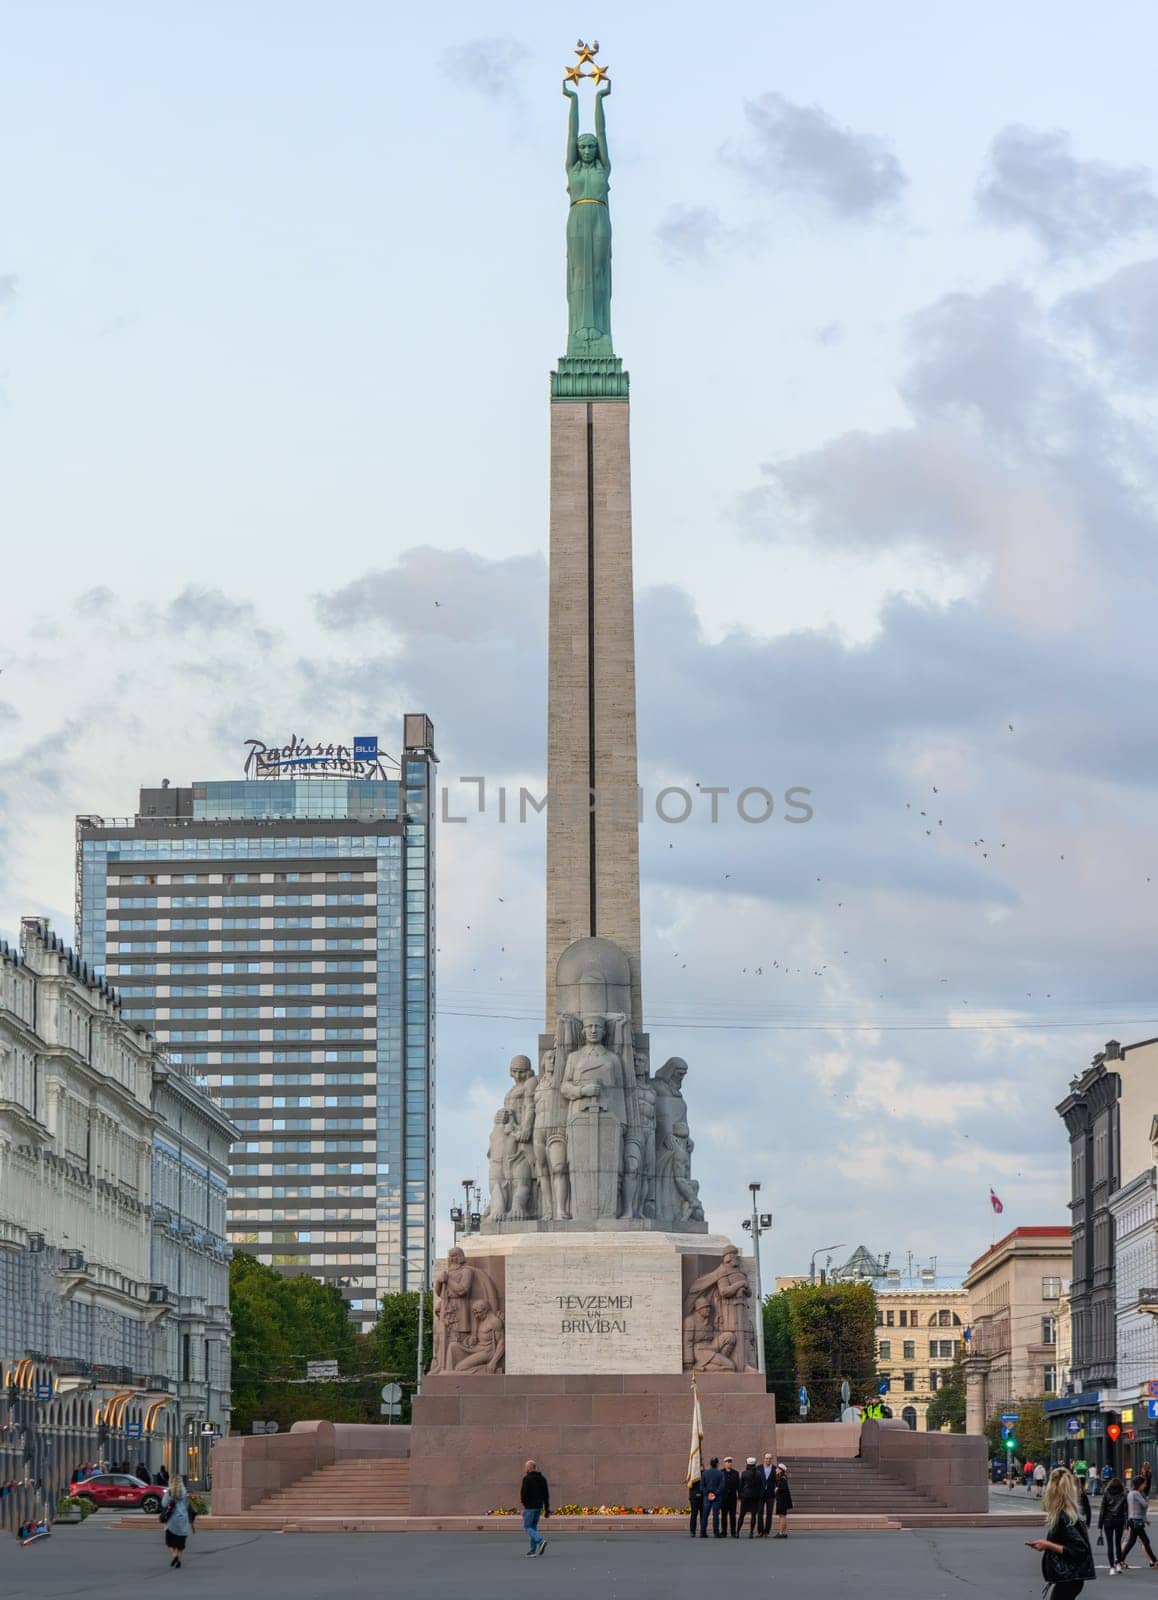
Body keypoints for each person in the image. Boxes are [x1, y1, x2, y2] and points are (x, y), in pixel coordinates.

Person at [1028, 1467, 1096, 1599]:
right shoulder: (1067, 1514)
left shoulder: (1063, 1517)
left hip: (1069, 1578)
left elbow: (1080, 1550)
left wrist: (1047, 1544)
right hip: (1070, 1578)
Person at [1120, 1474, 1158, 1570]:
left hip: (1133, 1520)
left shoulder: (1130, 1493)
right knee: (1145, 1541)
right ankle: (1155, 1561)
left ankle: (1120, 1560)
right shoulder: (1136, 1493)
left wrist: (1145, 1520)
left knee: (1131, 1542)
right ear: (1140, 1484)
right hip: (1137, 1521)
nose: (1145, 1486)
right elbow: (1144, 1505)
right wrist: (1147, 1500)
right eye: (1144, 1484)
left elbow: (1135, 1508)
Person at [160, 1474, 193, 1570]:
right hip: (182, 1519)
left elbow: (164, 1504)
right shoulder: (184, 1491)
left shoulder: (169, 1492)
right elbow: (187, 1504)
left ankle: (174, 1556)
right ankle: (179, 1559)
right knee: (180, 1542)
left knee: (170, 1542)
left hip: (172, 1520)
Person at [519, 1459, 550, 1558]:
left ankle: (541, 1541)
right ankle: (532, 1551)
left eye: (525, 1467)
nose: (525, 1469)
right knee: (533, 1528)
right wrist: (547, 1508)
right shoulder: (542, 1478)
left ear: (529, 1468)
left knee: (527, 1527)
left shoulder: (527, 1479)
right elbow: (546, 1495)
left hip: (530, 1507)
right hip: (539, 1507)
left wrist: (524, 1505)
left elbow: (523, 1494)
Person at [1098, 1474, 1128, 1574]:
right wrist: (1126, 1525)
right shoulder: (1123, 1495)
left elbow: (1102, 1510)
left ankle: (1111, 1567)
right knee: (1118, 1544)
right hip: (1119, 1521)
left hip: (1108, 1521)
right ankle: (1118, 1564)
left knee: (1110, 1545)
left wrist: (1100, 1524)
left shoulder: (1106, 1493)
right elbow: (1125, 1512)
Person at [699, 1457, 725, 1538]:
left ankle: (703, 1532)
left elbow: (701, 1486)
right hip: (717, 1497)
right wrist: (715, 1494)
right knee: (716, 1515)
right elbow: (722, 1486)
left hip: (707, 1497)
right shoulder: (720, 1473)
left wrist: (708, 1493)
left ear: (710, 1464)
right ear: (717, 1464)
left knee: (705, 1515)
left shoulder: (705, 1473)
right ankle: (716, 1532)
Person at [738, 1457, 762, 1538]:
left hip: (746, 1496)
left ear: (747, 1464)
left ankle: (737, 1532)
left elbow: (740, 1486)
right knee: (753, 1515)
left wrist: (740, 1495)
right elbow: (761, 1486)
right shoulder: (759, 1473)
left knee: (742, 1515)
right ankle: (751, 1532)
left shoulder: (744, 1473)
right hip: (755, 1497)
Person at [719, 1457, 740, 1538]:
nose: (729, 1463)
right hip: (723, 1498)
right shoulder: (721, 1473)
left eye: (730, 1462)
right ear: (724, 1463)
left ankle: (733, 1532)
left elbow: (738, 1485)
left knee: (732, 1516)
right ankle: (724, 1532)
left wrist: (739, 1495)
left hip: (732, 1498)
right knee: (723, 1515)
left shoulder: (736, 1473)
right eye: (727, 1462)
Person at [772, 1463, 793, 1539]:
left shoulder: (782, 1478)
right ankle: (783, 1532)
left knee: (782, 1516)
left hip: (782, 1500)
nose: (776, 1470)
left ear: (781, 1470)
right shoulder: (782, 1477)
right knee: (782, 1516)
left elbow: (783, 1488)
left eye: (777, 1468)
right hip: (782, 1499)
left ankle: (781, 1533)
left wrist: (777, 1489)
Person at [689, 1473, 703, 1539]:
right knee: (694, 1515)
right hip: (694, 1498)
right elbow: (690, 1486)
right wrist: (696, 1494)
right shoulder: (692, 1474)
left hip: (702, 1498)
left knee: (702, 1515)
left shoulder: (704, 1474)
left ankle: (703, 1531)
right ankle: (692, 1531)